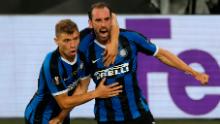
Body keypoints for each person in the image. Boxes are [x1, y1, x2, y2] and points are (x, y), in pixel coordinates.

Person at [78, 2, 209, 124]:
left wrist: (193, 72)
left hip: (139, 113)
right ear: (90, 23)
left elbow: (162, 54)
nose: (103, 25)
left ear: (112, 20)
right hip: (107, 117)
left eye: (107, 19)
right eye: (98, 20)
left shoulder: (130, 38)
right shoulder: (84, 48)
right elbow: (79, 86)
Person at [24, 19, 122, 124]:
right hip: (39, 117)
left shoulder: (82, 57)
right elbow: (64, 103)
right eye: (66, 40)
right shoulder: (52, 64)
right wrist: (97, 93)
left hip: (63, 114)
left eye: (75, 39)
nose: (72, 45)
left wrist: (61, 117)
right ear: (56, 41)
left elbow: (81, 89)